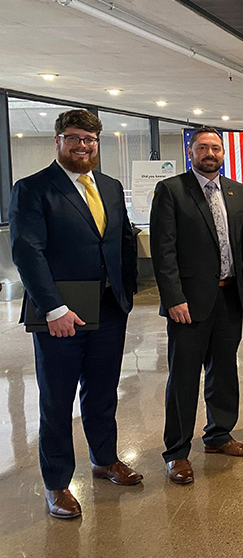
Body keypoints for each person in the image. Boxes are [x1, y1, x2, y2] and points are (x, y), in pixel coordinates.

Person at [9, 109, 141, 519]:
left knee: (103, 392)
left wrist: (127, 293)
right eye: (74, 138)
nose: (83, 145)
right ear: (58, 141)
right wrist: (53, 307)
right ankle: (57, 483)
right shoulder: (32, 188)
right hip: (60, 312)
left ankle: (104, 459)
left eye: (90, 139)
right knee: (57, 399)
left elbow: (119, 242)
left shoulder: (110, 186)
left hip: (107, 306)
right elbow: (27, 251)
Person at [150, 126, 243, 485]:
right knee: (184, 376)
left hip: (229, 296)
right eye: (203, 148)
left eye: (216, 148)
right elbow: (163, 250)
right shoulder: (171, 190)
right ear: (191, 152)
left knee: (224, 371)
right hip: (189, 303)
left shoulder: (237, 191)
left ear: (223, 152)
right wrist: (173, 298)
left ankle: (219, 435)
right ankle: (177, 452)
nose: (210, 154)